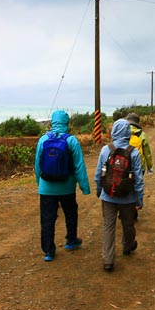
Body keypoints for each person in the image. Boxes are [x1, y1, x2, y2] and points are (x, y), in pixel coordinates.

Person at [34, 110, 91, 262]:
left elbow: (37, 166)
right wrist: (85, 187)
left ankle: (48, 251)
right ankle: (71, 240)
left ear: (52, 122)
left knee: (47, 219)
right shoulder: (72, 141)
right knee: (71, 212)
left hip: (46, 188)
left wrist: (40, 184)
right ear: (67, 123)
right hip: (67, 187)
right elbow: (79, 166)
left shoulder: (42, 140)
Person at [95, 118, 145, 272]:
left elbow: (98, 174)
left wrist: (99, 190)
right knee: (127, 224)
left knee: (108, 227)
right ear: (128, 133)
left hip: (108, 196)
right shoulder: (133, 152)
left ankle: (108, 260)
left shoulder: (105, 150)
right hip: (128, 198)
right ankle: (128, 245)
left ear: (114, 132)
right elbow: (138, 178)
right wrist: (139, 198)